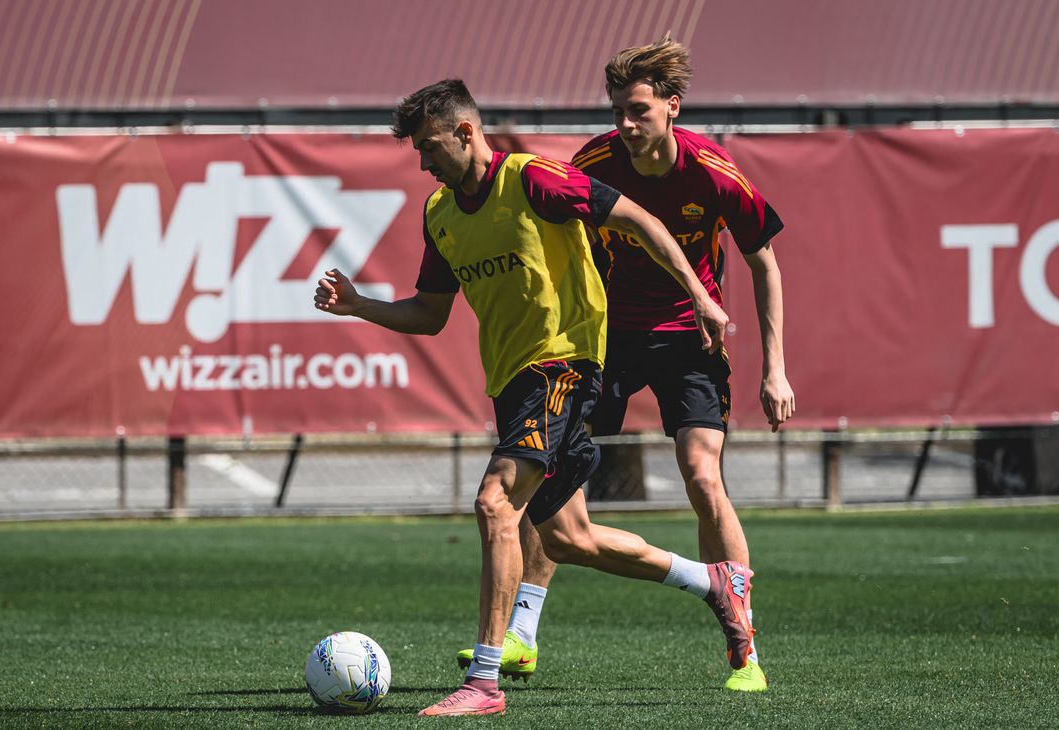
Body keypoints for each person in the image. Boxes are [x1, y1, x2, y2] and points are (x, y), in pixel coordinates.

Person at [315, 79, 756, 717]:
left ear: (466, 133)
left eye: (429, 147)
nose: (423, 162)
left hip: (565, 364)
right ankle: (712, 580)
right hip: (513, 382)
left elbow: (638, 217)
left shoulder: (534, 180)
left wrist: (698, 292)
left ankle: (485, 682)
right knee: (571, 537)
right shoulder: (440, 214)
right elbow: (431, 314)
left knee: (495, 504)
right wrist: (361, 308)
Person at [457, 37, 794, 693]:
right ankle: (522, 635)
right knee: (549, 479)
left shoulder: (716, 172)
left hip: (687, 338)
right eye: (618, 110)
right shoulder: (596, 160)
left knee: (701, 476)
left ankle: (744, 649)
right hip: (605, 336)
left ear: (673, 106)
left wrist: (774, 369)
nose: (625, 124)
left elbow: (764, 260)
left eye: (639, 110)